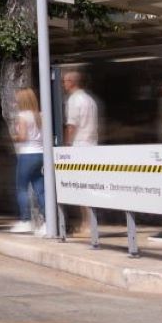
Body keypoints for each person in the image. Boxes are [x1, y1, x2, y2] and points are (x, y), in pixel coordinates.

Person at [62, 70, 99, 236]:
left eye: (65, 81)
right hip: (91, 144)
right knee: (88, 186)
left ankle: (87, 224)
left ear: (72, 82)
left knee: (82, 188)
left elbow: (71, 126)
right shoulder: (90, 100)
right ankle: (88, 223)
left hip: (79, 146)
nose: (63, 84)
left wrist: (66, 144)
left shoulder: (74, 100)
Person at [8, 87, 45, 234]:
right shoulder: (40, 115)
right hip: (40, 154)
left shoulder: (22, 116)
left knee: (22, 188)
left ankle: (25, 220)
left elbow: (23, 137)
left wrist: (13, 137)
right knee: (40, 189)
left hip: (27, 154)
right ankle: (47, 222)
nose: (15, 101)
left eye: (17, 99)